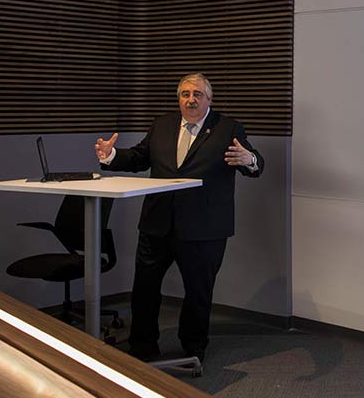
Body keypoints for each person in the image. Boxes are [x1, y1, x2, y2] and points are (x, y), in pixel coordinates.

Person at [94, 73, 263, 362]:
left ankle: (193, 349)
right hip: (157, 223)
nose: (191, 99)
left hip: (204, 228)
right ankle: (142, 347)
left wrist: (251, 160)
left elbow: (254, 163)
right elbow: (139, 157)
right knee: (144, 290)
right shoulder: (162, 124)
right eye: (185, 94)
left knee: (198, 292)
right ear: (179, 99)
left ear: (209, 99)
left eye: (197, 94)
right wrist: (111, 156)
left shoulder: (227, 128)